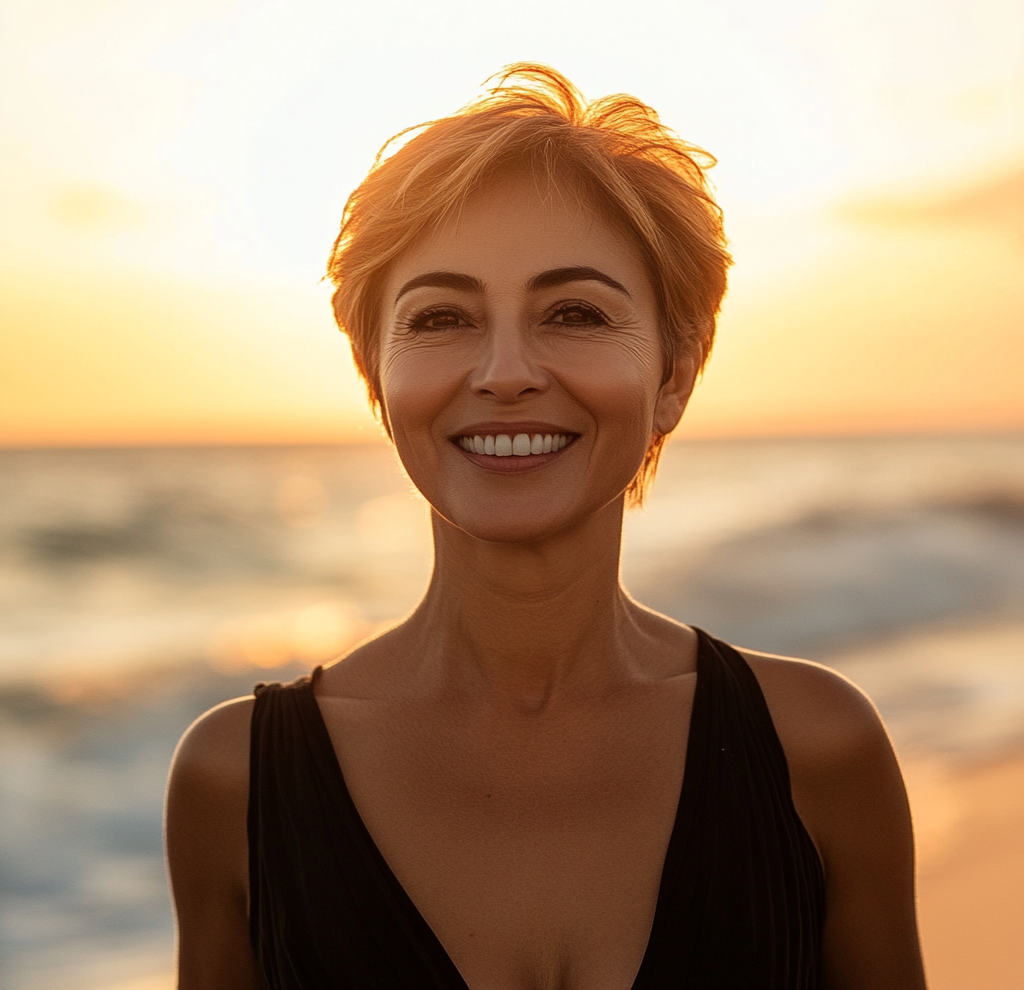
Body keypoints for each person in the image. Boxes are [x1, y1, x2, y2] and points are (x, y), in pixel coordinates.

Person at [165, 64, 927, 989]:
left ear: (676, 371)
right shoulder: (236, 781)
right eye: (441, 317)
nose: (507, 371)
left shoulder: (820, 749)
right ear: (376, 373)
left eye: (574, 312)